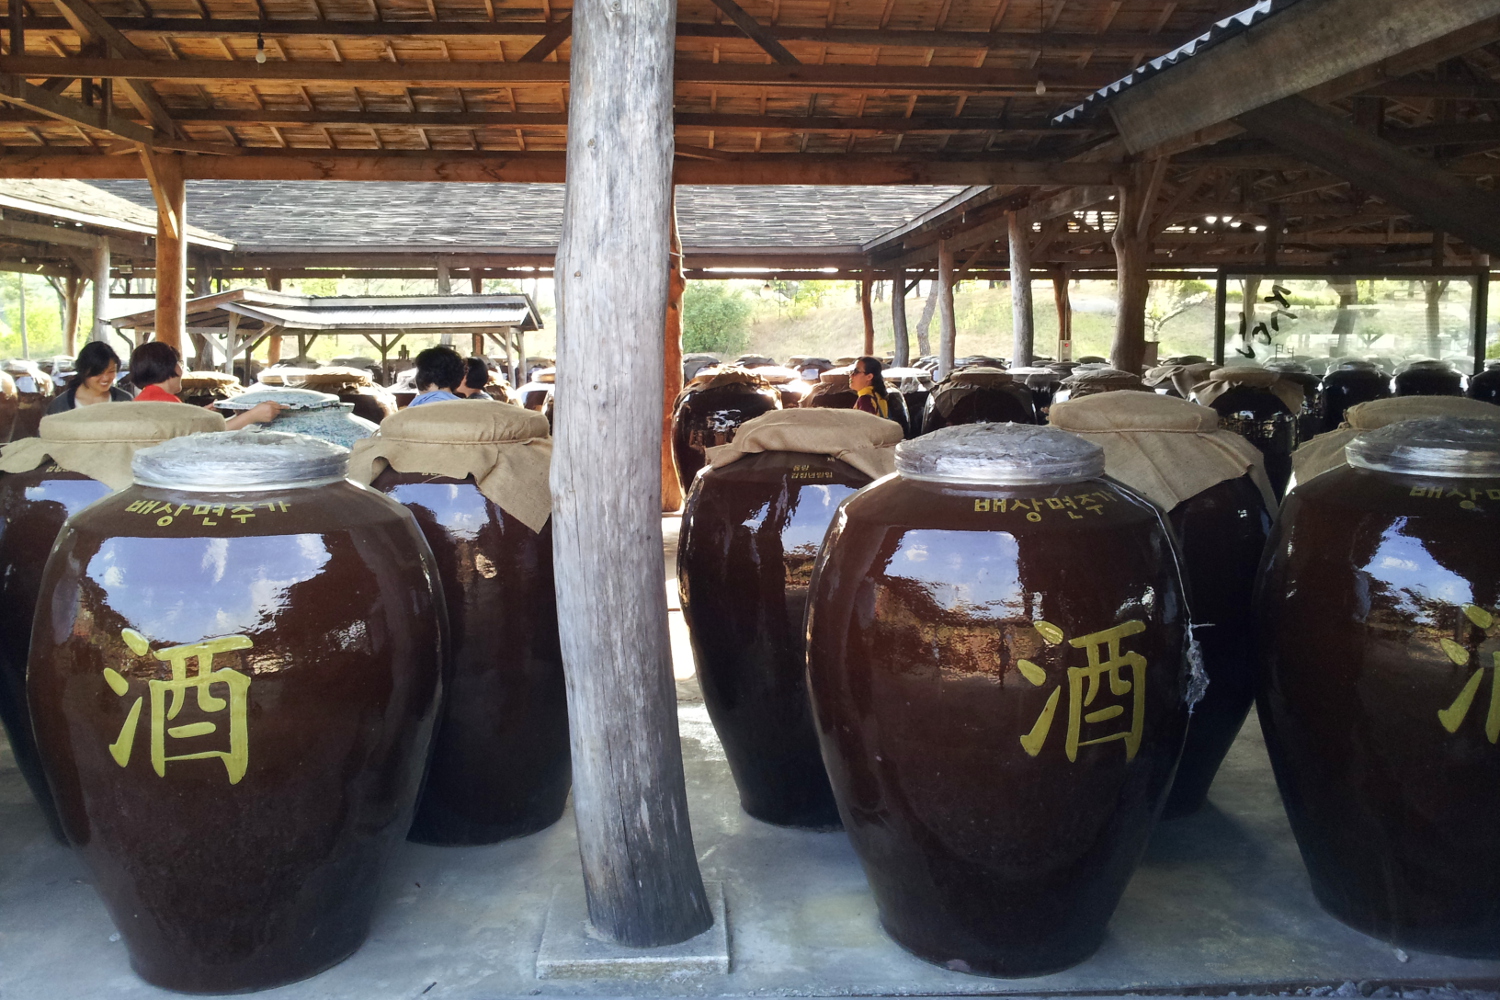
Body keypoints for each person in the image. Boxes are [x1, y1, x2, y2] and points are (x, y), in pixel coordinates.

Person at [128, 342, 282, 431]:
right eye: (179, 363)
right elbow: (209, 435)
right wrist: (252, 416)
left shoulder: (144, 399)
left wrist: (198, 415)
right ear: (170, 367)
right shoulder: (167, 404)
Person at [46, 342, 134, 413]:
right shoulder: (60, 406)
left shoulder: (124, 400)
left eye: (111, 371)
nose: (106, 378)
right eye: (98, 372)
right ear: (83, 371)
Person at [849, 356, 891, 420]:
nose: (851, 375)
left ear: (869, 376)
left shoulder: (865, 399)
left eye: (856, 371)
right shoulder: (877, 395)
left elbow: (865, 427)